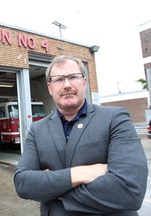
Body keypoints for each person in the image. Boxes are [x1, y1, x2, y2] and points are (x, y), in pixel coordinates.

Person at [14, 55, 148, 216]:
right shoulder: (37, 129)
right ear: (50, 88)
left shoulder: (114, 119)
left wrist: (53, 191)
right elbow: (23, 183)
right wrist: (79, 174)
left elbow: (130, 190)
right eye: (59, 79)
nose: (67, 85)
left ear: (84, 81)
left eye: (73, 77)